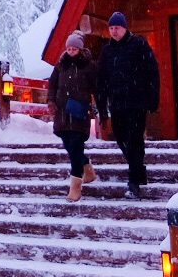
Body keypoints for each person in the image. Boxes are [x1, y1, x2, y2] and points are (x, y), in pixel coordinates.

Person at [96, 11, 160, 198]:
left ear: (125, 28)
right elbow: (101, 81)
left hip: (136, 102)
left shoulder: (139, 45)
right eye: (111, 28)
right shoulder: (107, 51)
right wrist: (102, 109)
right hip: (117, 103)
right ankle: (139, 170)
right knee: (121, 137)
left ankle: (134, 182)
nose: (114, 32)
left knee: (134, 139)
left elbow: (152, 72)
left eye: (117, 28)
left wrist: (152, 99)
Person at [47, 31, 98, 202]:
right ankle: (87, 168)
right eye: (68, 48)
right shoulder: (61, 65)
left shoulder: (89, 66)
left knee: (75, 146)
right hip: (62, 114)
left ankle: (75, 187)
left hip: (79, 114)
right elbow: (52, 84)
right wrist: (51, 101)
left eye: (74, 49)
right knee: (69, 146)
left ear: (80, 49)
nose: (71, 51)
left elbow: (97, 87)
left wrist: (96, 106)